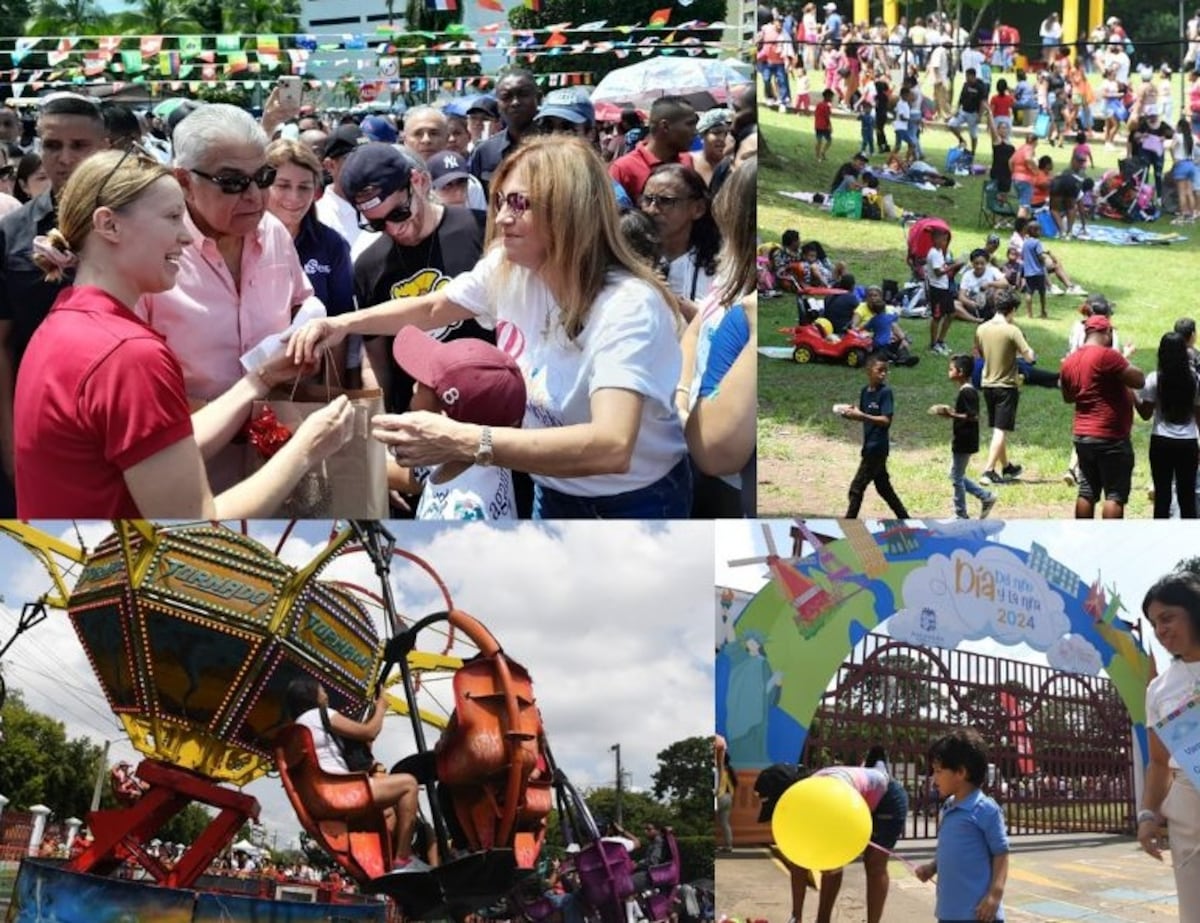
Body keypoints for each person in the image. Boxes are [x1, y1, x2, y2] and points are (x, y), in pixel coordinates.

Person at [288, 135, 691, 519]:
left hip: (634, 502)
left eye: (519, 204)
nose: (500, 218)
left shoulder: (627, 305)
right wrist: (340, 324)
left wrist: (460, 440)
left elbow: (611, 446)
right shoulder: (510, 267)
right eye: (499, 201)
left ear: (569, 210)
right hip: (553, 489)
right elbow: (434, 307)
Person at [13, 148, 354, 517]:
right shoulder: (128, 353)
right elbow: (194, 522)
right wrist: (307, 448)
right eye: (173, 217)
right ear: (109, 225)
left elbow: (166, 448)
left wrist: (260, 378)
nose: (185, 237)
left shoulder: (67, 319)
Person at [0, 93, 108, 517]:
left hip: (119, 420)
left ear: (103, 149)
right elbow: (2, 346)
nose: (64, 159)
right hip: (37, 427)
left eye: (79, 146)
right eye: (51, 145)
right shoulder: (12, 232)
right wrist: (10, 447)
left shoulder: (139, 224)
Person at [338, 143, 492, 417]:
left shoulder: (482, 231)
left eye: (399, 213)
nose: (394, 229)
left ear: (418, 182)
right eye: (376, 224)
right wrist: (384, 415)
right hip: (417, 417)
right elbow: (375, 362)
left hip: (491, 407)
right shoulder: (368, 266)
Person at [285, 676, 427, 874]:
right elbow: (369, 732)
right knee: (409, 785)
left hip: (317, 798)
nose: (326, 695)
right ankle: (403, 860)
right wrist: (381, 708)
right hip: (340, 791)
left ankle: (384, 864)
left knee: (389, 812)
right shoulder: (320, 715)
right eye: (322, 690)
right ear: (313, 696)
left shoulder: (298, 727)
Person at [388, 328, 525, 520]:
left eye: (423, 383)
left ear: (443, 422)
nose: (413, 385)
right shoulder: (480, 452)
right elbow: (413, 476)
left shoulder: (459, 513)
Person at [264, 138, 354, 380]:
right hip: (247, 379)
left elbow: (340, 325)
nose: (294, 197)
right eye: (282, 185)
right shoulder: (239, 241)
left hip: (308, 384)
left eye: (304, 187)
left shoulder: (332, 245)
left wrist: (332, 392)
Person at [1139, 571, 1200, 921]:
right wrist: (1148, 816)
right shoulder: (1158, 690)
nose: (1161, 630)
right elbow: (1159, 763)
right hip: (1189, 805)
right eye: (1154, 623)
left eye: (1167, 618)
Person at [915, 729, 1009, 923]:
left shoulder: (984, 809)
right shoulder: (948, 807)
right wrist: (932, 867)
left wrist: (994, 896)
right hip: (949, 912)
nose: (934, 778)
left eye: (939, 771)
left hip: (978, 914)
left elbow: (1001, 853)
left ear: (961, 772)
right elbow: (950, 850)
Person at [1059, 314, 1144, 519]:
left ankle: (1085, 538)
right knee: (1114, 495)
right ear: (1106, 333)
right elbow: (1139, 380)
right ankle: (1109, 541)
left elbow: (1068, 397)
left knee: (1087, 491)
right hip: (1110, 436)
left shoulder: (1069, 361)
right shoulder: (1108, 356)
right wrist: (1122, 360)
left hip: (1083, 435)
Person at [1135, 331, 1200, 518]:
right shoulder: (1194, 379)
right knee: (1187, 498)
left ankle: (1160, 543)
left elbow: (1145, 414)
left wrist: (1132, 395)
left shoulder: (1155, 379)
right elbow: (1198, 416)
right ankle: (1191, 543)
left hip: (1161, 441)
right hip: (1188, 442)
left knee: (1162, 497)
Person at [976, 291, 1034, 487]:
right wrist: (1028, 354)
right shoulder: (1012, 330)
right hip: (1006, 385)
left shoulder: (981, 329)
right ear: (1012, 310)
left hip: (987, 384)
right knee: (1001, 430)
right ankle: (988, 470)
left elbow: (983, 353)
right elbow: (1029, 357)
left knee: (997, 428)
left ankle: (1007, 466)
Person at [842, 355, 909, 519]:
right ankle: (906, 519)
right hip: (868, 445)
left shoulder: (885, 392)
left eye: (886, 371)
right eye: (879, 370)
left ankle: (849, 523)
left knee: (856, 488)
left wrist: (862, 416)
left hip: (877, 447)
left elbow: (886, 420)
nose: (883, 374)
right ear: (868, 370)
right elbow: (865, 413)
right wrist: (851, 413)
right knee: (884, 488)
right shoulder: (865, 392)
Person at [937, 354, 998, 519]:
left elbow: (973, 416)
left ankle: (961, 514)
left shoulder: (968, 392)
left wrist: (951, 415)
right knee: (955, 474)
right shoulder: (965, 391)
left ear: (961, 372)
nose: (948, 372)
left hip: (965, 439)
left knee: (956, 478)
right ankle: (985, 497)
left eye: (951, 369)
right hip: (962, 438)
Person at [610, 96, 697, 203]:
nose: (695, 132)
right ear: (665, 126)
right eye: (690, 125)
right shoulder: (623, 168)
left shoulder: (688, 161)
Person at [468, 70, 541, 193]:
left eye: (523, 94)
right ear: (498, 105)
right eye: (506, 97)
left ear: (538, 98)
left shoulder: (558, 149)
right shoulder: (484, 152)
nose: (515, 102)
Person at [925, 226, 967, 355]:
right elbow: (938, 272)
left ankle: (941, 340)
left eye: (945, 239)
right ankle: (933, 344)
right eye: (941, 239)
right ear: (934, 239)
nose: (944, 241)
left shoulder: (940, 252)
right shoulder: (933, 253)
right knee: (937, 317)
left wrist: (955, 265)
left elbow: (944, 269)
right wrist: (955, 265)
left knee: (951, 313)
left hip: (944, 287)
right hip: (937, 289)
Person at [947, 68, 987, 157]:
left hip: (973, 113)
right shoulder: (965, 85)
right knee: (951, 124)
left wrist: (980, 116)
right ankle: (961, 140)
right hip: (963, 111)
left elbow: (983, 102)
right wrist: (957, 109)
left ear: (973, 76)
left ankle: (973, 152)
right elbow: (961, 98)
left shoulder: (980, 86)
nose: (966, 78)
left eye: (968, 76)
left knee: (973, 135)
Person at [691, 108, 731, 189]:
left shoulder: (735, 166)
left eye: (727, 133)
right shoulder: (688, 161)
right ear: (703, 136)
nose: (723, 138)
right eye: (716, 132)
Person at [716, 749, 736, 852]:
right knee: (725, 823)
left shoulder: (720, 770)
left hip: (720, 797)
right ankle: (728, 846)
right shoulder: (730, 770)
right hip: (729, 797)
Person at [814, 89, 834, 163]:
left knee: (819, 141)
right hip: (824, 126)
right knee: (829, 140)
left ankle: (817, 156)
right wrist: (830, 126)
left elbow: (816, 114)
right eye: (831, 97)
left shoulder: (819, 104)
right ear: (828, 97)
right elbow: (827, 117)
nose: (832, 99)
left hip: (817, 126)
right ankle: (822, 152)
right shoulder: (826, 106)